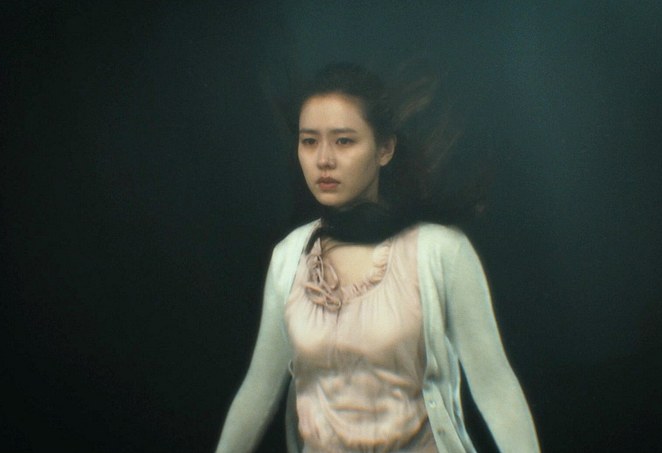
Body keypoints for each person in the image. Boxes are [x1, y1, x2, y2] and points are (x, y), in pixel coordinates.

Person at [216, 63, 539, 453]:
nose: (323, 160)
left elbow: (495, 387)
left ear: (384, 149)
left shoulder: (439, 251)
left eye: (344, 141)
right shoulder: (290, 257)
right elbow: (258, 391)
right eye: (309, 141)